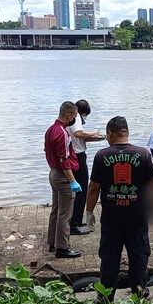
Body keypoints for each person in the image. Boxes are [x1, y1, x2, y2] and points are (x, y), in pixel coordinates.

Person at [85, 116, 153, 301]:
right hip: (138, 217)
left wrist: (89, 212)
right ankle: (140, 293)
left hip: (111, 218)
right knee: (139, 256)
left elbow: (94, 187)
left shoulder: (102, 156)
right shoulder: (143, 154)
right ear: (126, 132)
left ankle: (105, 297)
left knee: (109, 258)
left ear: (110, 133)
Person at [44, 101, 83, 258]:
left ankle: (53, 242)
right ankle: (63, 247)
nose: (74, 119)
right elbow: (64, 160)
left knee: (56, 210)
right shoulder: (62, 133)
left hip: (53, 173)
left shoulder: (51, 130)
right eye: (74, 116)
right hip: (63, 176)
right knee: (65, 214)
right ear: (69, 115)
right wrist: (72, 180)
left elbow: (47, 152)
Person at [67, 99, 104, 235]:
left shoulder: (71, 117)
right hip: (78, 157)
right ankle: (75, 224)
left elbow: (80, 138)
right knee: (82, 190)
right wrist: (93, 132)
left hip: (76, 155)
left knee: (79, 190)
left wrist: (98, 138)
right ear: (83, 112)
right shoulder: (76, 116)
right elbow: (78, 134)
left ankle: (76, 220)